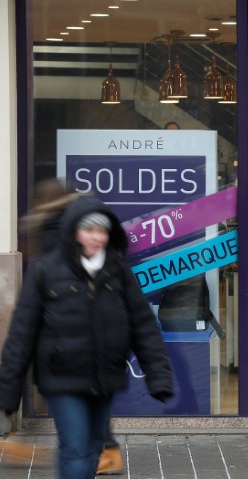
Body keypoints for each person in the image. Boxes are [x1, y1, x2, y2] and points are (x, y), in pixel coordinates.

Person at [0, 195, 174, 479]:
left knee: (94, 449)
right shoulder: (46, 271)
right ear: (73, 231)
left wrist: (159, 376)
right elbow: (22, 333)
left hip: (104, 378)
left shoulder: (118, 271)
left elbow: (143, 325)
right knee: (76, 449)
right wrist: (8, 391)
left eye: (102, 231)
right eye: (89, 230)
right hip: (61, 378)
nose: (96, 238)